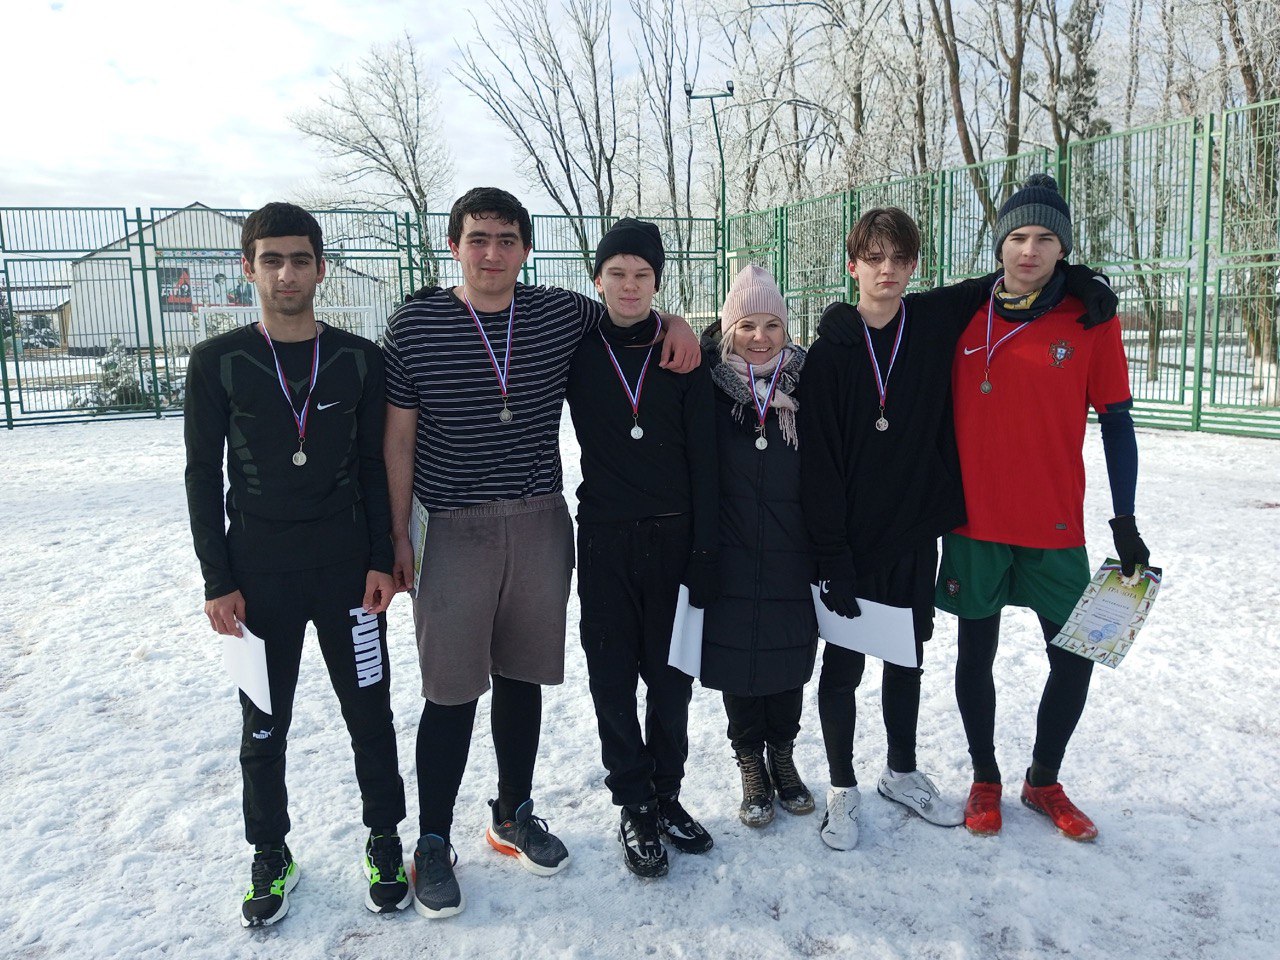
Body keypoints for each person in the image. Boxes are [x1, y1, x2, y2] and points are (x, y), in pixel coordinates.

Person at [381, 189, 701, 917]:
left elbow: (633, 311)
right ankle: (432, 839)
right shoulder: (418, 322)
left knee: (522, 678)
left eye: (505, 239)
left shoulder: (561, 313)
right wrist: (399, 533)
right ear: (454, 245)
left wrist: (679, 321)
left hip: (539, 520)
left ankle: (513, 810)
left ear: (526, 249)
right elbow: (397, 435)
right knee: (451, 691)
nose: (491, 253)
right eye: (476, 239)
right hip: (454, 525)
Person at [799, 207, 1116, 851]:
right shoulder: (831, 348)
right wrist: (829, 553)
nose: (888, 271)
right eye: (874, 259)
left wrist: (1082, 279)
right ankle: (841, 788)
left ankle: (902, 772)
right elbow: (819, 464)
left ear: (914, 267)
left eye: (901, 260)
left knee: (907, 660)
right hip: (852, 541)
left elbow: (1008, 276)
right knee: (842, 668)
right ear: (853, 266)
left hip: (916, 532)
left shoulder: (937, 317)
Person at [184, 202, 409, 927]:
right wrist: (218, 579)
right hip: (259, 579)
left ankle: (384, 839)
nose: (287, 272)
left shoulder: (358, 358)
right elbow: (199, 475)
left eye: (301, 259)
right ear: (248, 266)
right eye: (272, 259)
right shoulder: (217, 362)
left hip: (349, 574)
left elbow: (376, 469)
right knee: (262, 724)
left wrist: (381, 558)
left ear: (321, 266)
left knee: (368, 712)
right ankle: (271, 850)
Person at [935, 174, 1150, 842]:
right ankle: (984, 778)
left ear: (1063, 249)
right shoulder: (962, 315)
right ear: (1000, 244)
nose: (1029, 249)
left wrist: (1125, 520)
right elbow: (883, 317)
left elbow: (1117, 422)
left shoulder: (1090, 318)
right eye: (1018, 236)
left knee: (1076, 656)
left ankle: (1044, 779)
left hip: (1055, 525)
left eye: (1046, 238)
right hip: (973, 525)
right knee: (977, 653)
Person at [565, 218, 719, 878]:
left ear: (659, 282)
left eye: (644, 275)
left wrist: (707, 550)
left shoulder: (683, 355)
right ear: (597, 279)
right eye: (618, 274)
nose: (630, 286)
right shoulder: (573, 344)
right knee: (610, 679)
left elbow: (707, 458)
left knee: (671, 680)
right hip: (604, 539)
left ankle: (667, 794)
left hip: (676, 538)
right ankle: (632, 801)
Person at [699, 265, 818, 830]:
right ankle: (749, 759)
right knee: (737, 661)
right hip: (732, 548)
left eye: (773, 324)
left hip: (793, 552)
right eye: (747, 324)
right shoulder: (707, 386)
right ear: (729, 328)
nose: (761, 337)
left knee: (788, 661)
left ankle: (784, 757)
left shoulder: (806, 385)